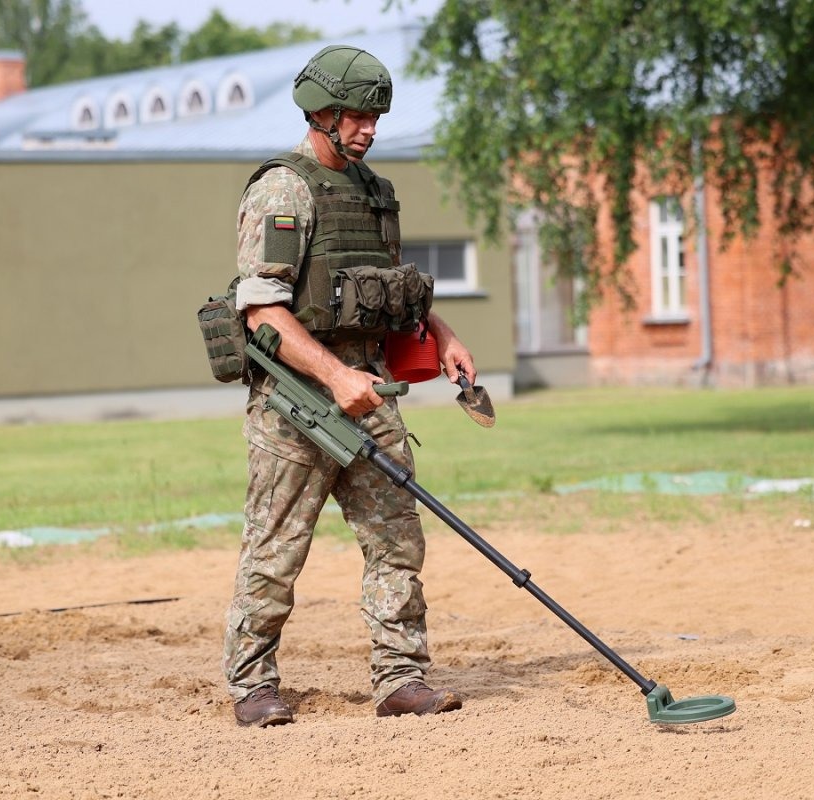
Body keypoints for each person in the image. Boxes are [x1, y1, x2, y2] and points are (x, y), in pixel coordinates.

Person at [222, 44, 477, 728]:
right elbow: (262, 309)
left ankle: (400, 676)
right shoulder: (283, 190)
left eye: (375, 116)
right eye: (356, 115)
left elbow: (391, 291)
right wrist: (335, 377)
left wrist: (443, 336)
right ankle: (253, 685)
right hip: (297, 402)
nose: (368, 128)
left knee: (397, 538)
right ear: (321, 113)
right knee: (276, 550)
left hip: (371, 390)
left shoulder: (371, 193)